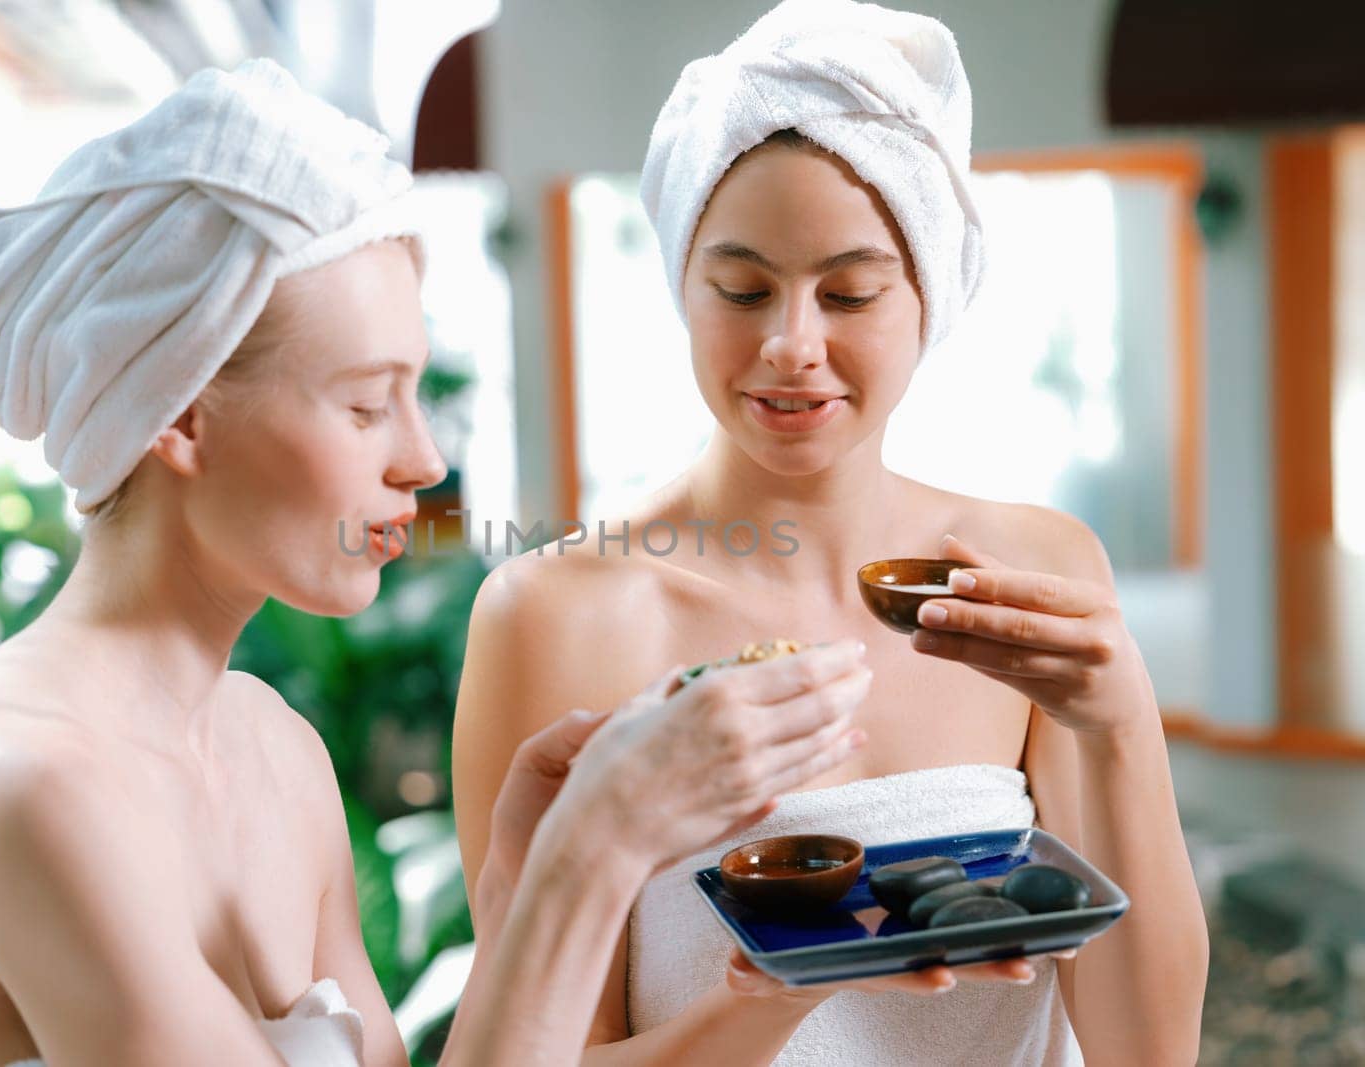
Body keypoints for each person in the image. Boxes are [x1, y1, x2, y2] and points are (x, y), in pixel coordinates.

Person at [0, 60, 875, 1067]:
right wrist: (589, 856)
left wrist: (540, 893)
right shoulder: (21, 786)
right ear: (179, 411)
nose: (423, 459)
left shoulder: (274, 750)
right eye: (368, 403)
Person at [451, 2, 1209, 1064]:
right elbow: (533, 1051)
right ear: (681, 283)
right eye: (741, 288)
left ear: (927, 298)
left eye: (848, 293)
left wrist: (1119, 722)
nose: (789, 343)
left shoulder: (1030, 573)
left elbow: (1149, 1047)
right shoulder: (557, 612)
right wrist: (783, 987)